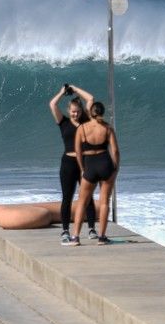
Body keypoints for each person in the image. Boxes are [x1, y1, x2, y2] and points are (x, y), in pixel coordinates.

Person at [64, 101, 118, 246]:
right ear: (102, 112)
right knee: (104, 201)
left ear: (90, 113)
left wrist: (82, 169)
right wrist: (116, 168)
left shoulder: (82, 128)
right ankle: (102, 237)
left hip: (90, 166)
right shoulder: (107, 128)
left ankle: (75, 237)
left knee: (82, 202)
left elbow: (78, 152)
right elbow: (115, 151)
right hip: (105, 163)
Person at [49, 83, 98, 245]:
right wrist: (62, 92)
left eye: (77, 111)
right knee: (67, 198)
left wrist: (76, 89)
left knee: (88, 197)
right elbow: (52, 104)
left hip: (84, 163)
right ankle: (65, 230)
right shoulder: (63, 122)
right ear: (69, 111)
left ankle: (91, 228)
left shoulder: (86, 121)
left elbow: (90, 98)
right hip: (68, 164)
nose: (75, 114)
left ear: (81, 111)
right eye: (73, 112)